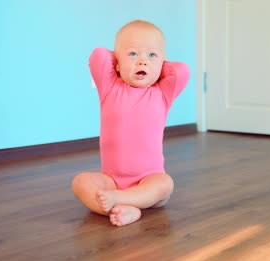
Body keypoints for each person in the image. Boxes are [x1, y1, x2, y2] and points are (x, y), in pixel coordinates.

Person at [71, 20, 190, 226]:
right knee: (80, 182)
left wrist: (159, 65)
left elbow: (181, 70)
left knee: (165, 184)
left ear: (162, 63)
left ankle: (120, 203)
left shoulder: (162, 94)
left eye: (151, 55)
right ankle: (129, 209)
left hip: (148, 179)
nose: (142, 62)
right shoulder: (109, 87)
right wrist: (121, 59)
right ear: (117, 62)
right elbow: (98, 55)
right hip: (112, 181)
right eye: (133, 54)